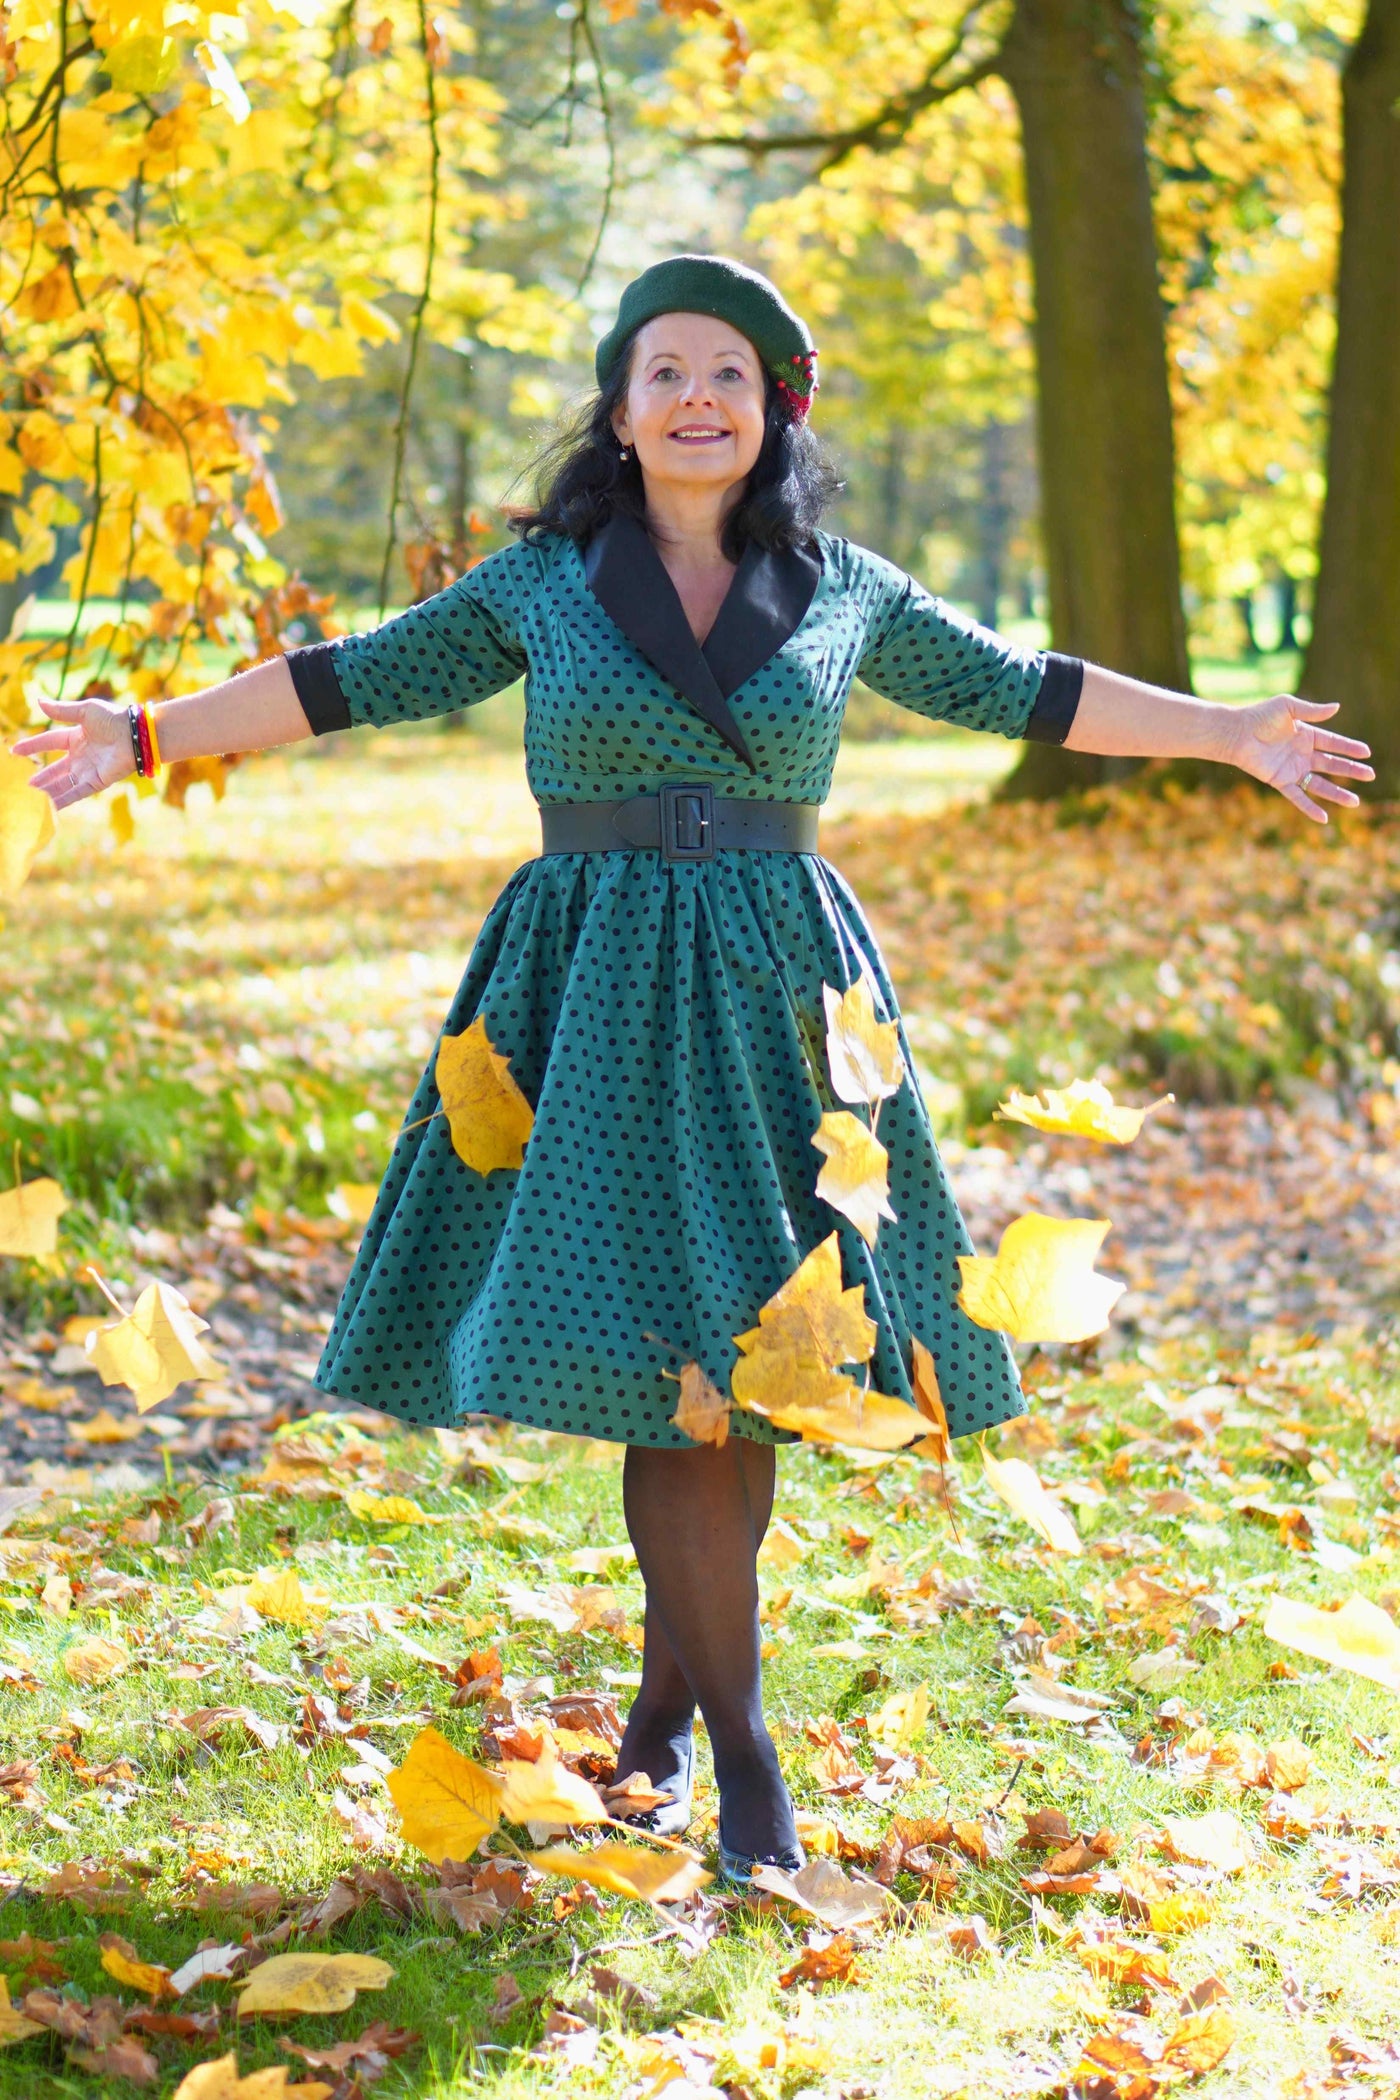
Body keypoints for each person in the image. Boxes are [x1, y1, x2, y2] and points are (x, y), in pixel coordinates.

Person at [15, 254, 1373, 1888]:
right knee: (679, 1362)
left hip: (783, 1000)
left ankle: (665, 1718)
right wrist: (149, 732)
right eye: (663, 371)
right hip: (586, 995)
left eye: (727, 371)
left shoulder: (847, 586)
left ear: (772, 405)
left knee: (760, 1350)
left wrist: (1231, 731)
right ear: (622, 407)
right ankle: (745, 1759)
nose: (696, 398)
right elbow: (346, 680)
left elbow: (1029, 690)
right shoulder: (541, 586)